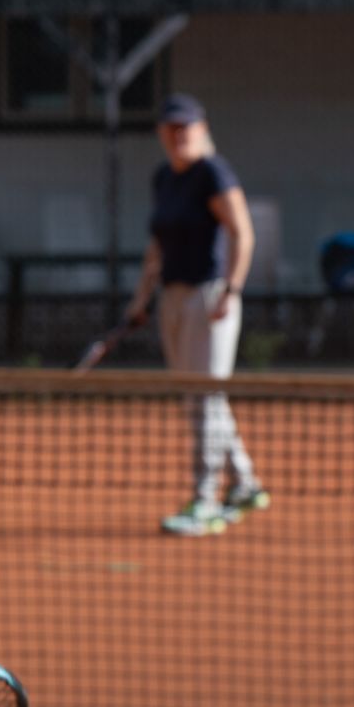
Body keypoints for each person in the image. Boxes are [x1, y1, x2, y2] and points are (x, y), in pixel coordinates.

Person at [123, 93, 270, 537]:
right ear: (161, 134)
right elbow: (157, 247)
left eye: (186, 126)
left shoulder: (214, 173)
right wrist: (141, 297)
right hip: (173, 296)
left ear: (202, 128)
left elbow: (242, 232)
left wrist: (232, 288)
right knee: (197, 397)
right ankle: (243, 482)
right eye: (171, 127)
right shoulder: (164, 178)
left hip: (210, 298)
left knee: (205, 397)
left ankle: (205, 500)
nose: (178, 134)